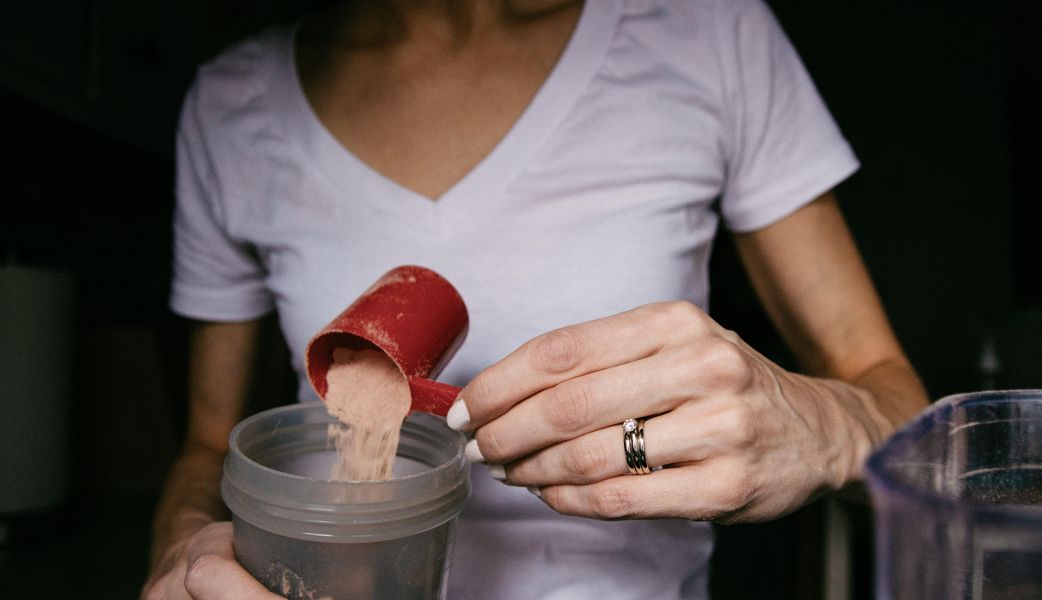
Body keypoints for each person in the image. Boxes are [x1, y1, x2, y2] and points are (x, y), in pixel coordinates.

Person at [142, 0, 928, 598]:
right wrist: (183, 547)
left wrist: (825, 427)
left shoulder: (709, 31)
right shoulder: (231, 103)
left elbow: (891, 393)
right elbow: (211, 444)